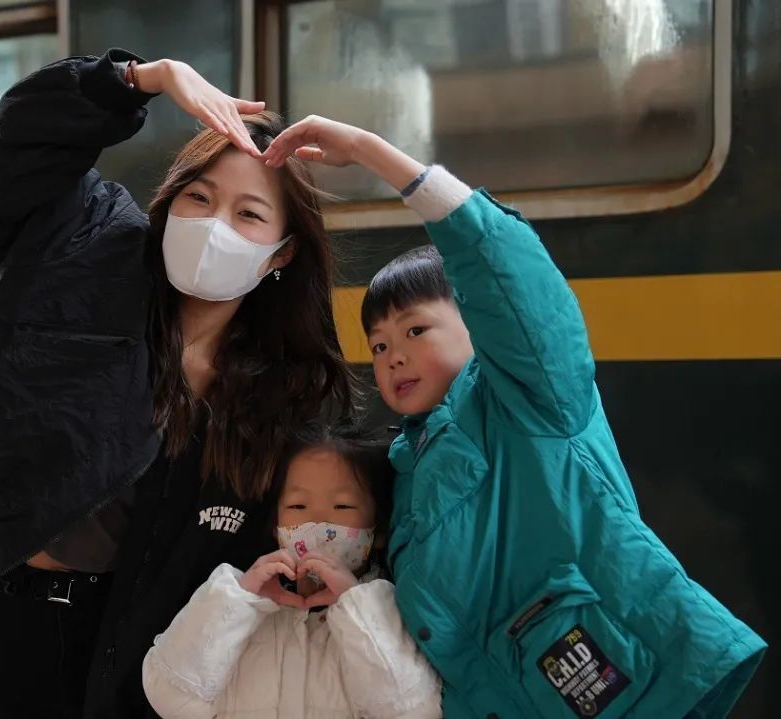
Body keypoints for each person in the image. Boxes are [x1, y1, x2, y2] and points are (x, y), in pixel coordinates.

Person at [263, 115, 767, 718]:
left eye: (416, 330)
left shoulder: (532, 396)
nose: (392, 355)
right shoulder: (405, 467)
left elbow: (509, 275)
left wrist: (373, 154)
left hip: (631, 688)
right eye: (378, 345)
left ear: (480, 325)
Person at [0, 51, 356, 718]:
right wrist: (144, 77)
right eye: (199, 198)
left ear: (282, 254)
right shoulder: (87, 249)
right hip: (16, 623)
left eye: (248, 215)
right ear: (170, 202)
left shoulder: (277, 391)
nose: (214, 225)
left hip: (151, 649)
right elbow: (29, 129)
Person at [142, 424, 442, 718]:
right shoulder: (243, 616)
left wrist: (355, 604)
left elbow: (415, 711)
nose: (318, 522)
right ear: (276, 528)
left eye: (342, 507)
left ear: (378, 531)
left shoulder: (386, 611)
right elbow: (169, 695)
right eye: (298, 506)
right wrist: (238, 599)